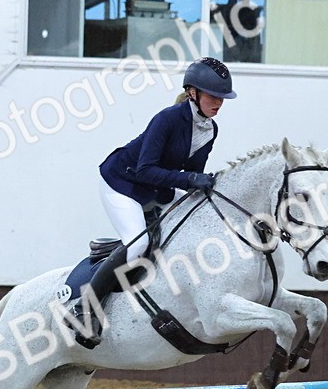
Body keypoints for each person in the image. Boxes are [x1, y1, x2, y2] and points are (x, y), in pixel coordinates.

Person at [66, 56, 236, 349]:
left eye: (222, 97)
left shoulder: (210, 129)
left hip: (156, 188)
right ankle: (84, 307)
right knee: (138, 245)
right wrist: (191, 180)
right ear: (192, 93)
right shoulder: (167, 119)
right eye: (213, 95)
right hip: (123, 183)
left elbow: (191, 174)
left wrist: (204, 185)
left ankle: (118, 255)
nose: (219, 102)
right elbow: (145, 169)